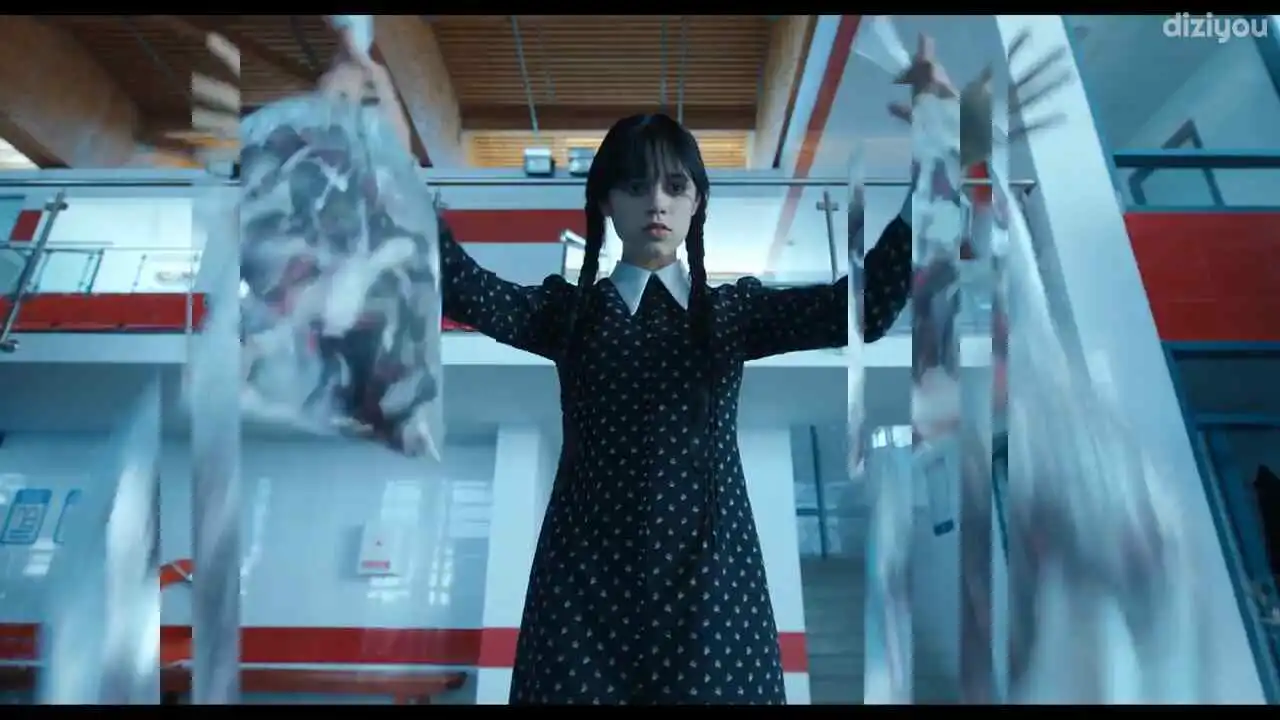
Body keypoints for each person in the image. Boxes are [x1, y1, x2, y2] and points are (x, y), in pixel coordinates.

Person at [326, 21, 1065, 705]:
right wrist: (389, 145)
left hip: (716, 597)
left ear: (696, 204)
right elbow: (455, 279)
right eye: (636, 185)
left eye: (675, 185)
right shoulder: (569, 314)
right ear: (606, 204)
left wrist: (951, 145)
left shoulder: (732, 312)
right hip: (581, 600)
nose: (657, 201)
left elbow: (864, 310)